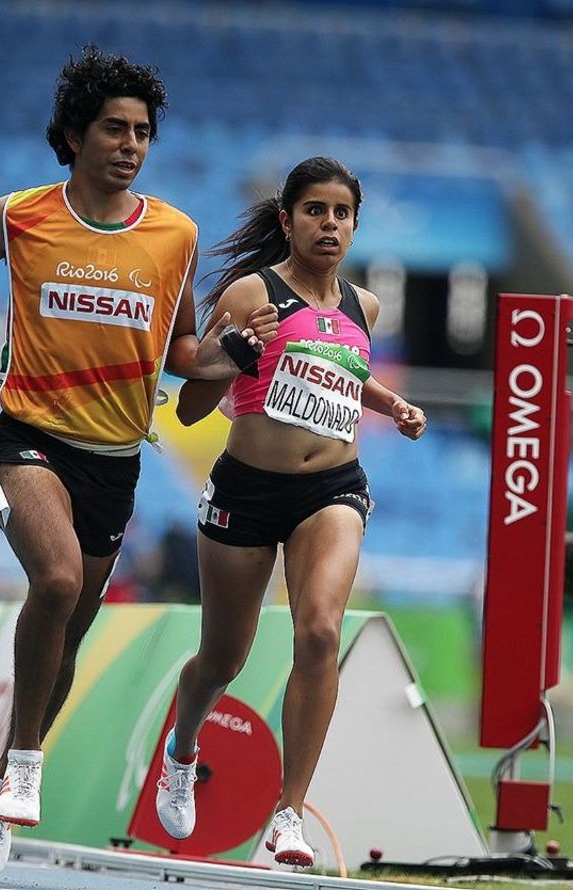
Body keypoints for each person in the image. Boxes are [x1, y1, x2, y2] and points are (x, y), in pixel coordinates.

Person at [0, 45, 277, 880]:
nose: (130, 144)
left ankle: (4, 772)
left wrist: (234, 355)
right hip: (24, 441)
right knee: (56, 582)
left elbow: (182, 351)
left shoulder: (175, 234)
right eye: (114, 128)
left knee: (71, 634)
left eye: (143, 131)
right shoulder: (18, 216)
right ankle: (25, 767)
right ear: (74, 135)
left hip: (116, 458)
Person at [154, 157, 427, 867]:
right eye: (314, 211)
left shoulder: (364, 306)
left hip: (331, 490)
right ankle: (181, 750)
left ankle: (289, 814)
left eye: (341, 213)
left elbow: (340, 374)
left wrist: (390, 404)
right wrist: (235, 352)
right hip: (246, 490)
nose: (328, 224)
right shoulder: (252, 292)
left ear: (355, 224)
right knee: (223, 660)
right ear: (287, 220)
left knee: (318, 632)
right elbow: (187, 407)